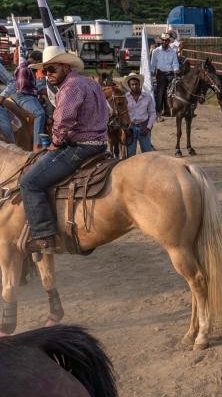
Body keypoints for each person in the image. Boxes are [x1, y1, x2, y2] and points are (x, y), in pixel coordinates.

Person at [20, 46, 108, 255]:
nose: (47, 74)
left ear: (65, 66)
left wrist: (56, 142)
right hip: (100, 144)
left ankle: (44, 237)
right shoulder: (90, 83)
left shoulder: (70, 87)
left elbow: (63, 120)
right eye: (44, 71)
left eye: (52, 69)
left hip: (81, 147)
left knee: (29, 182)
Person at [11, 47, 49, 149]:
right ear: (36, 61)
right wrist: (39, 91)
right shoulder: (24, 69)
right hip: (22, 96)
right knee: (39, 114)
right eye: (39, 64)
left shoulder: (30, 69)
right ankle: (37, 145)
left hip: (28, 94)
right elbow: (22, 88)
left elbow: (30, 86)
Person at [123, 73, 156, 157]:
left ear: (139, 84)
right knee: (130, 155)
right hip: (130, 129)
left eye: (136, 84)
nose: (134, 86)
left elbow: (152, 114)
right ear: (129, 86)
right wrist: (125, 128)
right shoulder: (125, 97)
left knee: (148, 154)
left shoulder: (147, 97)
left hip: (143, 128)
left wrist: (148, 128)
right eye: (132, 84)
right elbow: (122, 114)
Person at [150, 33, 179, 117]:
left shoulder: (173, 52)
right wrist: (152, 71)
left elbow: (175, 63)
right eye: (163, 40)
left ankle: (168, 110)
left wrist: (176, 70)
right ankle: (158, 111)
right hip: (160, 74)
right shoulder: (156, 51)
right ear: (160, 41)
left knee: (172, 91)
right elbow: (153, 64)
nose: (164, 42)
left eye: (166, 40)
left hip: (170, 74)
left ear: (169, 41)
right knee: (160, 92)